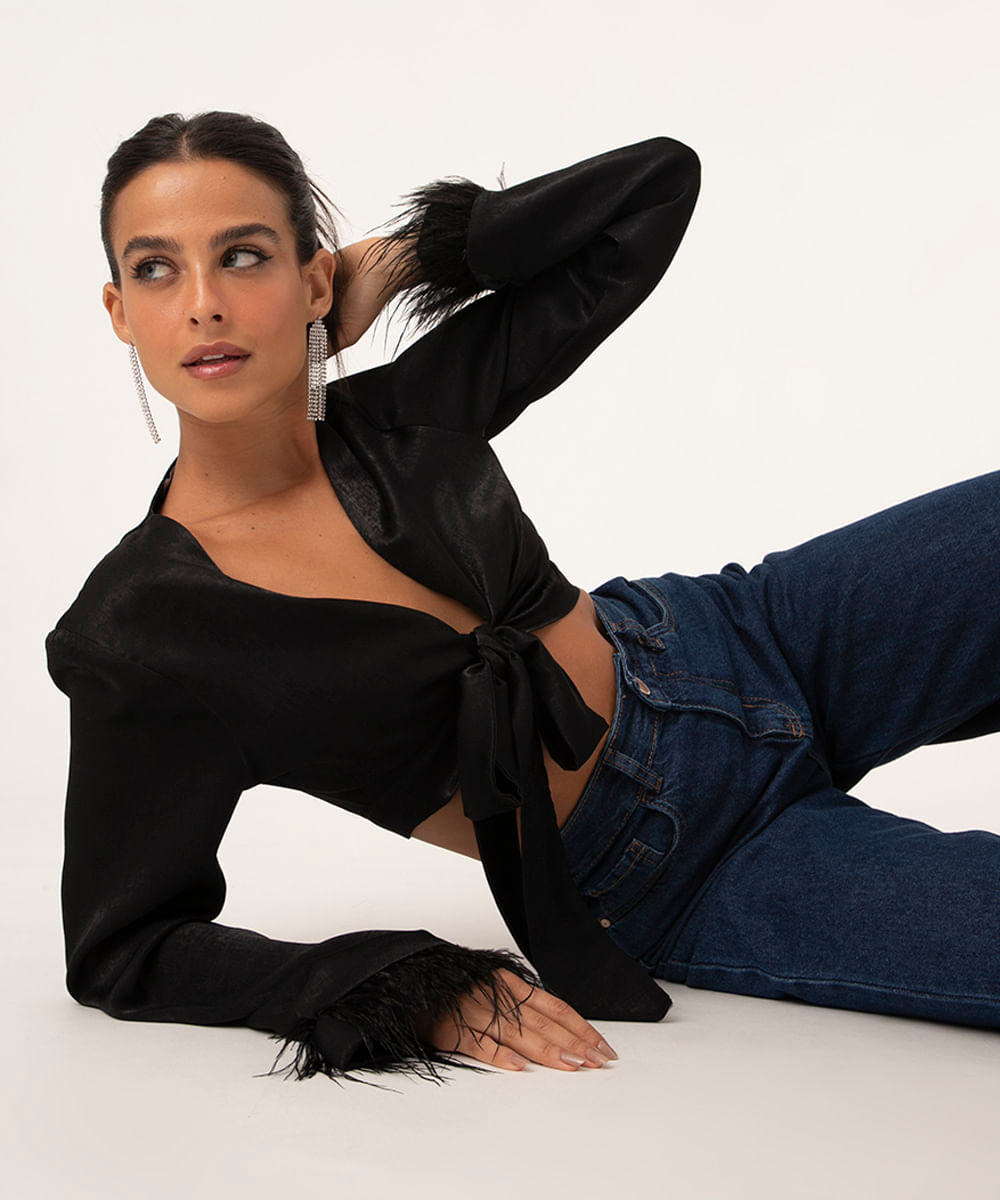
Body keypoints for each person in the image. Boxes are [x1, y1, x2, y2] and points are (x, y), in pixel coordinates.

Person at [45, 111, 1000, 1086]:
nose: (204, 304)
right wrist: (395, 985)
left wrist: (406, 258)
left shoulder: (409, 411)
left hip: (747, 635)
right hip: (687, 863)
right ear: (120, 310)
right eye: (157, 269)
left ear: (313, 281)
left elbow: (653, 190)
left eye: (244, 256)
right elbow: (124, 946)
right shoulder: (142, 631)